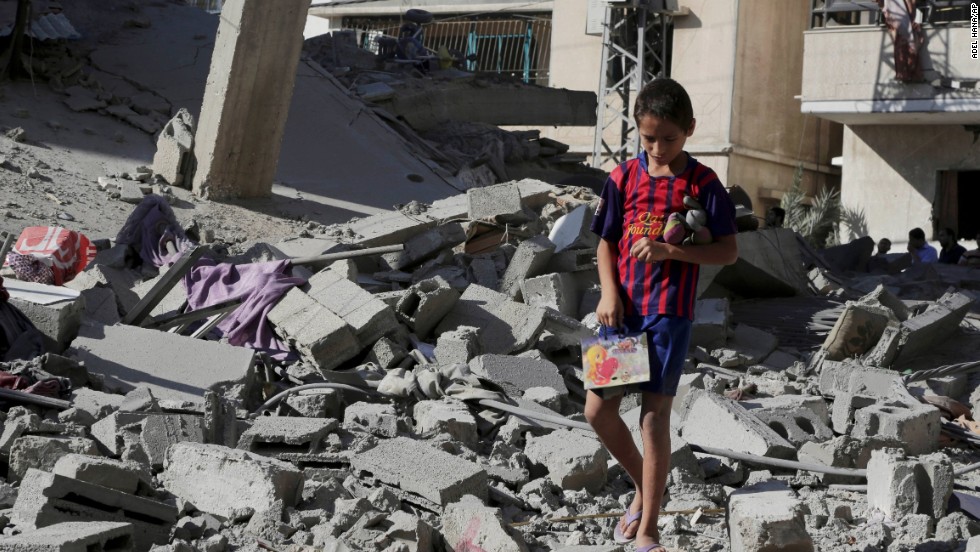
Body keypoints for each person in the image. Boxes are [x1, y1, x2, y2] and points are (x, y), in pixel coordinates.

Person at [588, 78, 739, 552]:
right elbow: (606, 242)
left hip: (668, 316)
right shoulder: (622, 178)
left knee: (653, 421)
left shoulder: (704, 184)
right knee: (597, 411)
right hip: (620, 315)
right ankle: (648, 487)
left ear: (690, 130)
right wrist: (608, 293)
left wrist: (670, 250)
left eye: (668, 139)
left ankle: (649, 530)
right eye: (648, 137)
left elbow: (728, 252)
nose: (657, 148)